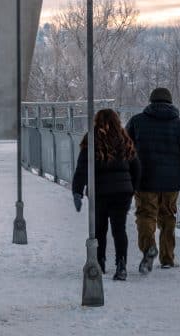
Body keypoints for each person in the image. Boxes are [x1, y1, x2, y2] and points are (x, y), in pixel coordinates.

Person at [125, 87, 180, 273]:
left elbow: (125, 152)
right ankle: (167, 258)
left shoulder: (136, 122)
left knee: (145, 215)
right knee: (168, 217)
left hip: (144, 182)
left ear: (151, 102)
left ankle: (149, 249)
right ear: (170, 103)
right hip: (171, 184)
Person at [72, 109, 141, 281]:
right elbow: (136, 167)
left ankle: (99, 262)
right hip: (122, 193)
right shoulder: (124, 139)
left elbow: (82, 168)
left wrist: (77, 191)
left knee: (99, 229)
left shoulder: (92, 139)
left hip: (99, 192)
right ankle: (121, 265)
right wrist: (133, 188)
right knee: (119, 229)